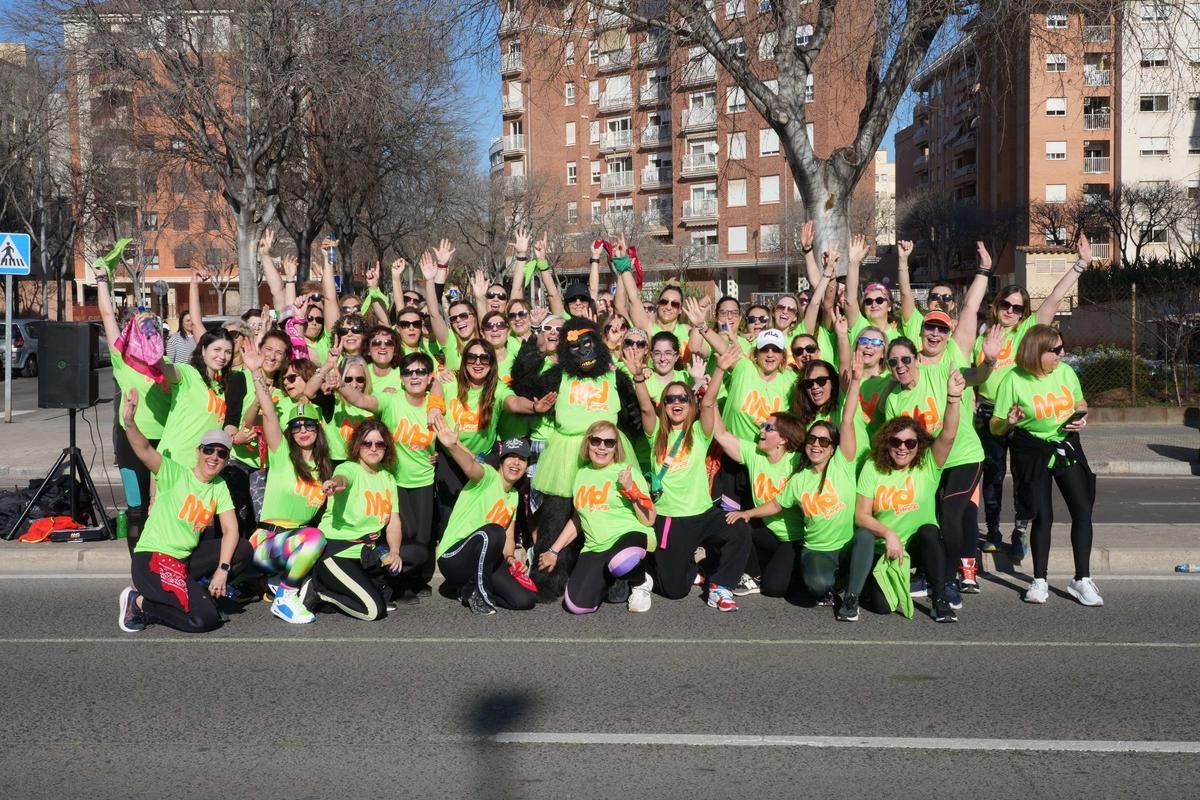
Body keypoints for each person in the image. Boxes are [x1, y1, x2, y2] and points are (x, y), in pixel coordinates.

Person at [975, 234, 1094, 558]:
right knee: (993, 474)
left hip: (1024, 415)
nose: (1011, 311)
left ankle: (1021, 528)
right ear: (996, 305)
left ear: (1024, 312)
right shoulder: (981, 336)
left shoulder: (1028, 331)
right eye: (1006, 305)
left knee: (1027, 478)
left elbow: (1054, 299)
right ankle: (993, 530)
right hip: (991, 413)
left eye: (1018, 307)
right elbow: (975, 376)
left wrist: (1080, 264)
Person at [727, 355, 863, 603]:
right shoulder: (800, 477)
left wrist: (854, 383)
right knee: (782, 587)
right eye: (811, 440)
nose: (816, 445)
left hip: (844, 543)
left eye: (824, 441)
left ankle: (846, 583)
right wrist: (747, 513)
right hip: (812, 543)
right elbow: (778, 504)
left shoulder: (842, 463)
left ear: (833, 447)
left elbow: (847, 418)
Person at [117, 390, 251, 634]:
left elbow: (231, 529)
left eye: (221, 453)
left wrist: (222, 570)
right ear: (199, 451)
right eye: (209, 450)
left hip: (183, 561)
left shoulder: (218, 486)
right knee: (205, 620)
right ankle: (139, 602)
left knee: (243, 550)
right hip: (152, 561)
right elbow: (145, 450)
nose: (214, 457)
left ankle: (202, 591)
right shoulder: (175, 474)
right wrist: (129, 423)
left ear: (226, 459)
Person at [628, 352, 750, 610]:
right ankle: (663, 566)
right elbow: (645, 408)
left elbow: (708, 404)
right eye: (670, 398)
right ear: (664, 404)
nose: (676, 402)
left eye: (683, 398)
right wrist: (639, 378)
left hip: (704, 514)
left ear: (690, 403)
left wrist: (720, 370)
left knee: (739, 529)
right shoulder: (655, 435)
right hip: (672, 518)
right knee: (674, 591)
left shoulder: (698, 432)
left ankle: (719, 585)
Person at [990, 324, 1100, 607]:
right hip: (1031, 449)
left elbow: (1081, 400)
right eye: (1056, 350)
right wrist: (1009, 422)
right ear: (1037, 351)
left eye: (1063, 348)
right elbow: (995, 427)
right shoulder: (1013, 379)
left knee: (1082, 509)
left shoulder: (1064, 372)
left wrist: (1082, 416)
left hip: (1066, 443)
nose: (1062, 355)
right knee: (1041, 516)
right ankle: (1039, 580)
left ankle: (1082, 580)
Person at [847, 368, 967, 623]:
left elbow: (948, 434)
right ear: (886, 443)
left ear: (919, 445)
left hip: (918, 545)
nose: (902, 448)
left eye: (910, 443)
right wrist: (889, 534)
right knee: (882, 607)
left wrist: (953, 399)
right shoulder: (873, 466)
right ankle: (861, 585)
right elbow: (861, 516)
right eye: (896, 442)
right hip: (885, 547)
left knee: (929, 530)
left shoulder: (927, 463)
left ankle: (939, 599)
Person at [337, 351, 443, 599]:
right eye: (408, 372)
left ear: (429, 378)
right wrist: (339, 384)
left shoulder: (435, 405)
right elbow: (361, 401)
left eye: (420, 372)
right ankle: (399, 584)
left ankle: (412, 579)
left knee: (423, 537)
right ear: (401, 378)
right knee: (405, 534)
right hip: (395, 480)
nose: (414, 376)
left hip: (425, 479)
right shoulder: (391, 400)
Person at [243, 342, 330, 624]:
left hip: (294, 544)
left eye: (309, 425)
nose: (303, 430)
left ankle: (279, 583)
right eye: (296, 426)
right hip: (266, 543)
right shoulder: (282, 454)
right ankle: (285, 596)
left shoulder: (324, 468)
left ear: (318, 430)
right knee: (315, 539)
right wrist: (257, 373)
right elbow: (268, 413)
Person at [539, 420, 656, 614]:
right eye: (596, 441)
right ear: (588, 443)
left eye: (609, 443)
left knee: (622, 561)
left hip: (628, 536)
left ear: (615, 447)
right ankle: (610, 579)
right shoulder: (582, 474)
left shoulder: (627, 472)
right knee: (576, 606)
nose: (602, 447)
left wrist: (631, 489)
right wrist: (554, 551)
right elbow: (578, 518)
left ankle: (641, 581)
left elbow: (649, 519)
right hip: (595, 546)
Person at [93, 265, 171, 549]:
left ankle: (164, 565)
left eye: (152, 325)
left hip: (165, 444)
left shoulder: (167, 368)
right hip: (131, 443)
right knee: (136, 510)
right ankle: (141, 571)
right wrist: (102, 280)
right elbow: (106, 315)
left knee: (163, 508)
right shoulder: (122, 361)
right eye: (143, 325)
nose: (147, 330)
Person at [305, 419, 405, 621]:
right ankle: (319, 592)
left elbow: (393, 520)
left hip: (367, 553)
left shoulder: (388, 478)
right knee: (374, 611)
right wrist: (334, 484)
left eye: (379, 444)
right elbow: (343, 480)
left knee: (393, 580)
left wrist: (395, 552)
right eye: (367, 443)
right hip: (338, 552)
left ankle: (342, 589)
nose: (373, 448)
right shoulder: (349, 468)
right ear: (357, 445)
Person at [433, 422, 537, 614]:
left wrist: (511, 558)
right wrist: (453, 446)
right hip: (453, 557)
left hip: (485, 558)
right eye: (511, 457)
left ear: (526, 466)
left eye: (522, 459)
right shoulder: (488, 476)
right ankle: (478, 593)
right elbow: (470, 466)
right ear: (501, 461)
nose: (516, 462)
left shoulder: (513, 495)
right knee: (493, 531)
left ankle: (465, 590)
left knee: (525, 600)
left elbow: (509, 535)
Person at [156, 328, 236, 469]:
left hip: (203, 466)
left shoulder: (222, 385)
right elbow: (169, 370)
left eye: (228, 352)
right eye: (217, 349)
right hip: (174, 462)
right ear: (203, 350)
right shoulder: (189, 373)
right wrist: (155, 353)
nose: (222, 356)